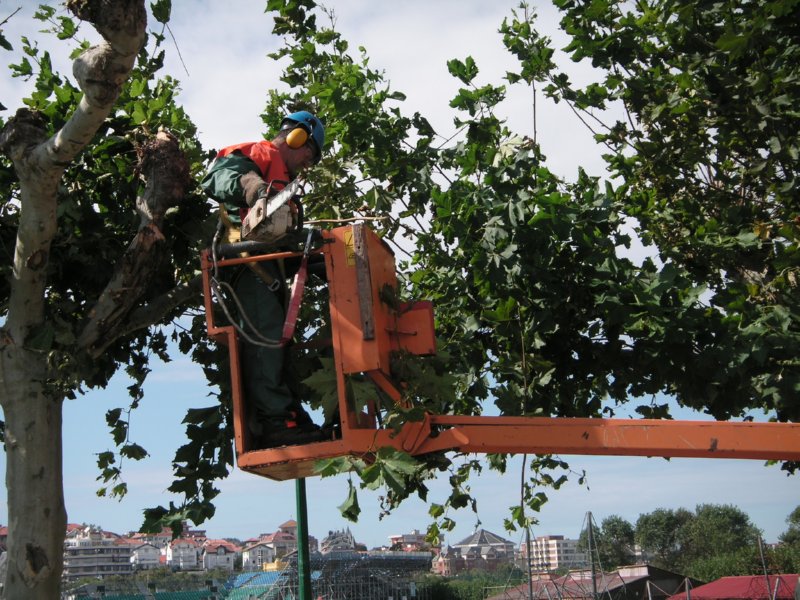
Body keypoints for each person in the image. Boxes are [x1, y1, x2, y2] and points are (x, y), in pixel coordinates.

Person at [200, 110, 327, 449]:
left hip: (268, 267)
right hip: (247, 262)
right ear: (296, 137)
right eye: (308, 153)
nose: (307, 163)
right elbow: (220, 175)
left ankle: (286, 412)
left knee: (279, 341)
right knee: (267, 338)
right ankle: (274, 421)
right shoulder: (263, 154)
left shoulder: (284, 181)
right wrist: (257, 190)